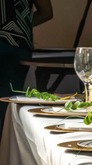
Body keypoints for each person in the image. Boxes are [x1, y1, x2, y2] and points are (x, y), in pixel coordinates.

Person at [0, 0, 53, 132]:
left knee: (8, 107)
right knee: (7, 107)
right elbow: (46, 12)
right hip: (17, 44)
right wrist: (20, 26)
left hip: (14, 47)